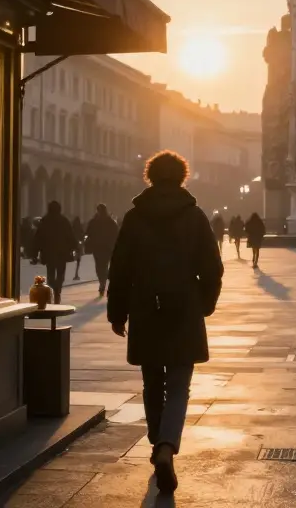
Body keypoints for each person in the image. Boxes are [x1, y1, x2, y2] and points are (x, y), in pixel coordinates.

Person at [106, 151, 223, 495]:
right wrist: (203, 303)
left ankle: (157, 441)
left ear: (151, 177)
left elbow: (120, 269)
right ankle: (166, 447)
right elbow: (213, 269)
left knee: (152, 383)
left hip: (145, 308)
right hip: (184, 309)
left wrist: (117, 312)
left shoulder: (134, 217)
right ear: (182, 177)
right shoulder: (195, 216)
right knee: (179, 385)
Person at [34, 201, 78, 304]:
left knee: (50, 274)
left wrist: (35, 253)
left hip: (48, 253)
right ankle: (57, 291)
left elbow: (38, 238)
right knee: (60, 274)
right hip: (62, 253)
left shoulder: (45, 220)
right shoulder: (64, 220)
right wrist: (74, 247)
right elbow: (70, 235)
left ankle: (52, 291)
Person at [84, 204, 120, 297]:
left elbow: (87, 232)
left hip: (97, 248)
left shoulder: (94, 221)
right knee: (104, 265)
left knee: (99, 266)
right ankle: (104, 280)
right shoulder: (111, 222)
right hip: (108, 248)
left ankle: (102, 282)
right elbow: (116, 234)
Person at [71, 215, 85, 280]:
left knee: (74, 258)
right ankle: (76, 274)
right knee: (78, 260)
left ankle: (75, 274)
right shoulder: (80, 228)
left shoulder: (72, 228)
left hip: (74, 245)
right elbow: (83, 236)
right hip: (79, 245)